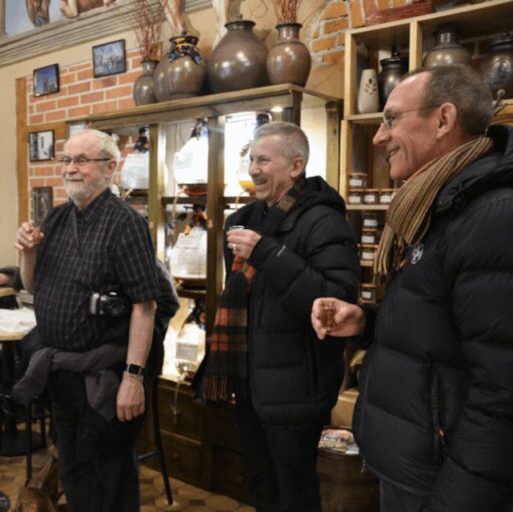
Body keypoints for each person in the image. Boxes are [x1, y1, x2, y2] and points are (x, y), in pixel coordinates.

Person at [311, 65, 513, 512]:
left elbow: (502, 390)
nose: (380, 137)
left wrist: (454, 502)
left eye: (391, 119)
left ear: (443, 120)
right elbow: (442, 332)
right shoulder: (437, 206)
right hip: (416, 465)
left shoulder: (492, 215)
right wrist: (366, 320)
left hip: (445, 482)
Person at [200, 122, 360, 511]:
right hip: (249, 381)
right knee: (261, 486)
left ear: (295, 165)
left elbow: (334, 304)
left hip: (297, 387)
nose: (253, 168)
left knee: (296, 495)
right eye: (251, 159)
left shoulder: (325, 221)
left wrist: (268, 254)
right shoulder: (243, 219)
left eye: (264, 159)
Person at [15, 129, 159, 512]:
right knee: (74, 467)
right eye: (66, 160)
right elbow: (32, 286)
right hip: (62, 371)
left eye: (81, 160)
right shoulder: (58, 217)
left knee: (109, 473)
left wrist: (133, 378)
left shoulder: (125, 223)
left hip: (105, 376)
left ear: (110, 168)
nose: (70, 169)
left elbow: (145, 306)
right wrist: (28, 253)